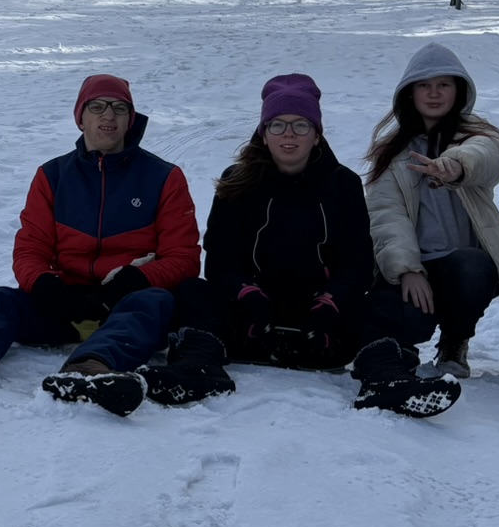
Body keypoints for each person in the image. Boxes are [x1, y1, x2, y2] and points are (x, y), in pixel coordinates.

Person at [0, 75, 198, 417]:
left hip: (125, 304)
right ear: (81, 117)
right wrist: (45, 285)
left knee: (154, 302)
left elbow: (185, 257)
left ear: (130, 119)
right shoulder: (53, 175)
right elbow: (31, 248)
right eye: (97, 106)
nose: (109, 115)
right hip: (65, 304)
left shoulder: (163, 177)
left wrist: (133, 280)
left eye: (120, 108)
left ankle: (90, 371)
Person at [149, 74, 461, 417]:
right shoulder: (236, 181)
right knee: (193, 292)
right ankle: (197, 368)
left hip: (322, 323)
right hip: (251, 318)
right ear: (263, 133)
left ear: (316, 135)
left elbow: (356, 263)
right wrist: (247, 296)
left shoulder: (342, 184)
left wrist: (330, 303)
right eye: (278, 125)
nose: (289, 135)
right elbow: (221, 260)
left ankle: (386, 380)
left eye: (301, 125)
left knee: (383, 301)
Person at [361, 42, 499, 378]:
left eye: (443, 84)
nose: (434, 93)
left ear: (458, 90)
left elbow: (485, 156)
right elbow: (387, 215)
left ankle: (455, 340)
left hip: (460, 266)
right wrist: (408, 270)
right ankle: (400, 351)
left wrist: (456, 166)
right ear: (410, 93)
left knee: (472, 267)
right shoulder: (392, 152)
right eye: (424, 85)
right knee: (398, 320)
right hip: (415, 265)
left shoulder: (480, 135)